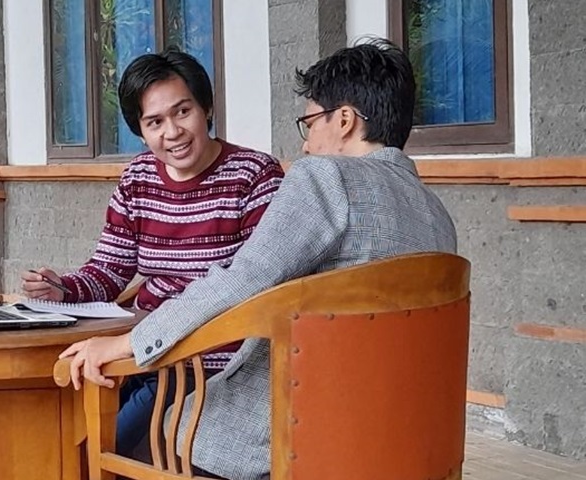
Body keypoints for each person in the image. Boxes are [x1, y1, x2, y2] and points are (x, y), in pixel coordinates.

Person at [57, 37, 458, 480]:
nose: (305, 146)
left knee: (146, 431)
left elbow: (245, 278)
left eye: (309, 124)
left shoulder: (325, 178)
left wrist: (127, 344)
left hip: (291, 429)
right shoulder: (435, 213)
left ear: (343, 121)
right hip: (397, 433)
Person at [20, 48, 285, 457]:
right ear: (141, 131)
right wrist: (64, 288)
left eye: (183, 112)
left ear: (207, 108)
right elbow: (110, 269)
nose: (173, 132)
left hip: (205, 360)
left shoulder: (254, 175)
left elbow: (255, 284)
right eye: (155, 122)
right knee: (50, 422)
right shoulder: (138, 178)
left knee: (88, 452)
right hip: (139, 348)